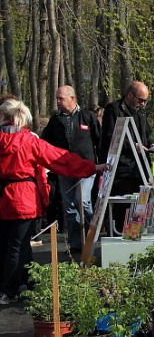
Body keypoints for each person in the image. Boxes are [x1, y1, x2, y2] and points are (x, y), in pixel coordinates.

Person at [0, 99, 109, 304]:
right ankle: (9, 288)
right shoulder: (28, 141)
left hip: (4, 195)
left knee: (10, 244)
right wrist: (91, 167)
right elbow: (60, 159)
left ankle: (27, 281)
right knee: (17, 245)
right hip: (22, 197)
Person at [41, 85, 102, 253]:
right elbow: (45, 142)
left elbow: (100, 141)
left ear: (72, 99)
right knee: (68, 207)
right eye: (57, 99)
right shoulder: (55, 120)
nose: (58, 102)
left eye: (61, 98)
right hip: (65, 169)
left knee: (82, 201)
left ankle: (91, 238)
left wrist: (101, 164)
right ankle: (76, 243)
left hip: (86, 167)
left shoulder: (87, 117)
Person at [100, 81, 153, 232]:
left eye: (145, 101)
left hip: (139, 167)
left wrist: (152, 145)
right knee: (121, 207)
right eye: (140, 100)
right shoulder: (114, 110)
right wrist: (134, 145)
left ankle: (136, 233)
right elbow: (112, 137)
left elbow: (145, 135)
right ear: (129, 95)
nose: (143, 104)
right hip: (122, 168)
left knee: (140, 205)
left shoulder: (141, 112)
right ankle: (117, 234)